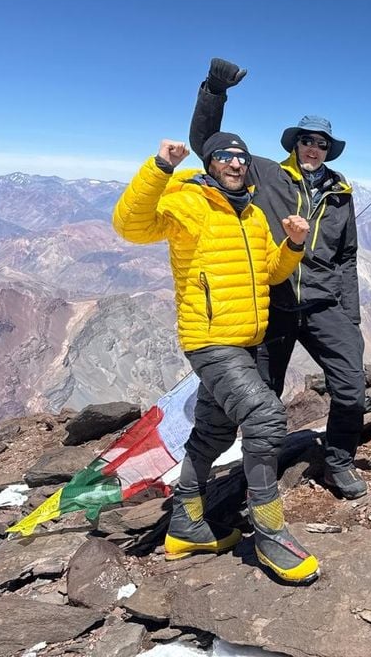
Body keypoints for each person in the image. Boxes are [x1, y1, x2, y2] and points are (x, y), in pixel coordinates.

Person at [112, 133, 320, 584]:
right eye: (226, 156)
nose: (236, 163)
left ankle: (186, 525)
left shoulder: (252, 214)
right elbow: (130, 225)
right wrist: (160, 167)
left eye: (242, 157)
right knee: (265, 418)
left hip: (246, 341)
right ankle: (270, 535)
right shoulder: (188, 202)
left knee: (213, 430)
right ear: (210, 162)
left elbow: (270, 271)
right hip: (209, 340)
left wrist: (294, 245)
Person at [190, 59, 367, 500]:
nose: (313, 147)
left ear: (329, 149)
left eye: (321, 142)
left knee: (351, 386)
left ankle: (339, 460)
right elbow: (206, 146)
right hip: (275, 303)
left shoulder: (340, 193)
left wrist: (351, 315)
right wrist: (214, 92)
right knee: (264, 398)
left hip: (326, 305)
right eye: (306, 140)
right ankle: (259, 484)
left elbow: (347, 257)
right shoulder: (267, 174)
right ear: (295, 143)